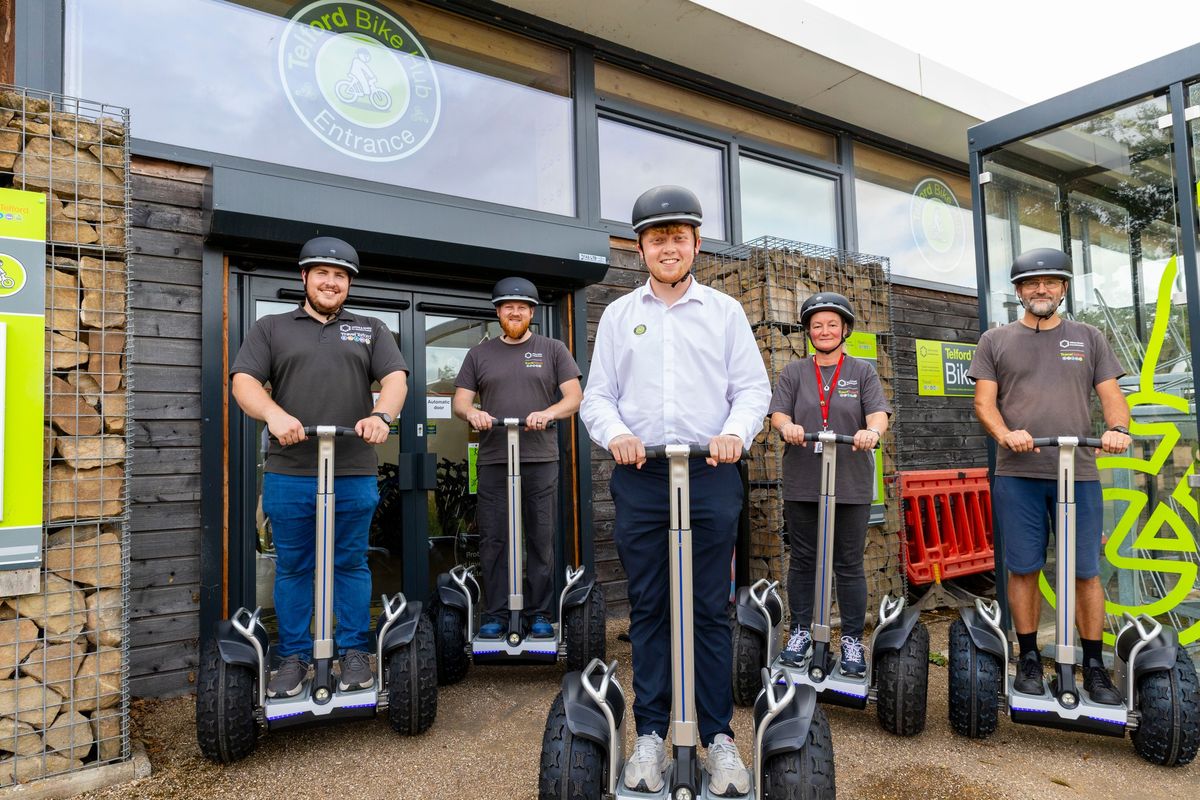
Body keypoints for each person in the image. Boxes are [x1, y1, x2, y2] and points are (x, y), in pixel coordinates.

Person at [580, 185, 770, 797]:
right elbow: (597, 398)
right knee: (651, 608)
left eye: (678, 237)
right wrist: (618, 436)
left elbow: (752, 390)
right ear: (640, 248)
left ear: (694, 245)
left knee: (710, 608)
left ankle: (718, 736)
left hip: (710, 472)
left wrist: (736, 434)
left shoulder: (723, 311)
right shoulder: (618, 314)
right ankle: (652, 735)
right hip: (642, 476)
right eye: (657, 238)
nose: (668, 247)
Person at [231, 236, 409, 698]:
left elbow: (394, 379)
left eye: (341, 276)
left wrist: (381, 415)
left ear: (348, 284)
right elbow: (244, 382)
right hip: (290, 471)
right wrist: (274, 414)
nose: (332, 282)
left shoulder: (370, 328)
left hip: (352, 469)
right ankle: (291, 657)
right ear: (304, 277)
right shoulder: (271, 327)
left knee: (349, 563)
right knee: (294, 566)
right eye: (323, 273)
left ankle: (354, 651)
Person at [968, 247, 1131, 705]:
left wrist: (1117, 429)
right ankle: (1028, 658)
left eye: (1051, 282)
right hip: (1019, 472)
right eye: (1031, 283)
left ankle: (1094, 666)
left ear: (1062, 288)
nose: (1041, 289)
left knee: (1084, 571)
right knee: (1023, 568)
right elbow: (984, 403)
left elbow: (1112, 396)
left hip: (1077, 471)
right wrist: (1005, 434)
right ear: (1018, 290)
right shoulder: (995, 340)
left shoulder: (1089, 337)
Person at [452, 276, 582, 639]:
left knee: (540, 536)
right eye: (508, 306)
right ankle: (494, 612)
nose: (515, 312)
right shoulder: (480, 353)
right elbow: (460, 401)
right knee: (494, 537)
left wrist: (550, 413)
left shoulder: (552, 348)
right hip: (494, 458)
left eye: (522, 307)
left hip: (540, 458)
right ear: (498, 312)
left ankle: (540, 612)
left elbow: (573, 397)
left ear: (531, 312)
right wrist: (472, 412)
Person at [769, 292, 891, 677]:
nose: (824, 331)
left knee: (849, 563)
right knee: (804, 560)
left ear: (845, 330)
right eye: (817, 325)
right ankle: (801, 631)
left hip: (851, 479)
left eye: (832, 324)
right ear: (808, 331)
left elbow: (878, 415)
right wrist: (786, 426)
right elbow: (778, 413)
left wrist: (871, 431)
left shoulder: (862, 372)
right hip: (804, 478)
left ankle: (852, 640)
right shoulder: (793, 373)